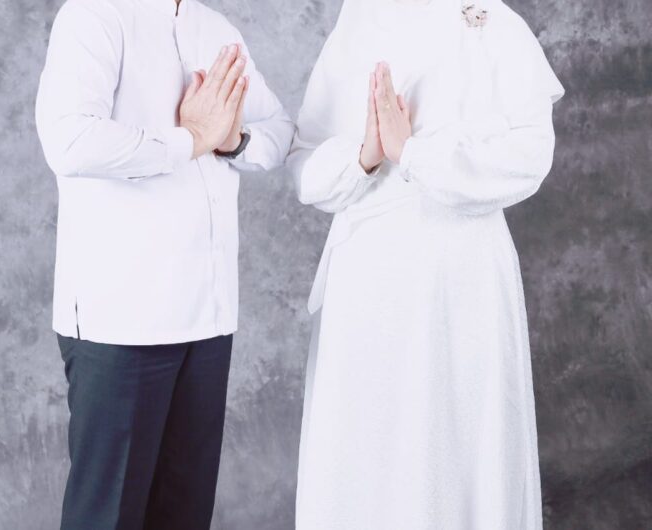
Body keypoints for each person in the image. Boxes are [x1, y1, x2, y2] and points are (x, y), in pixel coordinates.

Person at [288, 0, 564, 528]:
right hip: (365, 286)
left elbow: (531, 155)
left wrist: (413, 154)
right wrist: (365, 155)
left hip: (461, 280)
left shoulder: (490, 21)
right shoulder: (357, 22)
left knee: (457, 442)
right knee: (365, 449)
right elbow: (305, 166)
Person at [35, 0, 293, 527]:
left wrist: (232, 140)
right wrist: (190, 141)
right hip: (121, 322)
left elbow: (280, 131)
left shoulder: (216, 29)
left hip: (208, 317)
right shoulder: (94, 15)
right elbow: (70, 140)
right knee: (108, 517)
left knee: (184, 514)